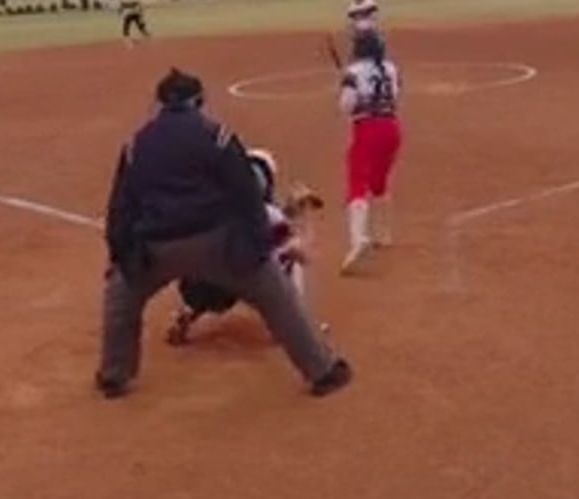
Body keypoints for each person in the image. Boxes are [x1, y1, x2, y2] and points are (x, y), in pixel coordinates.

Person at [97, 70, 351, 400]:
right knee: (278, 296)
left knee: (120, 299)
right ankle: (323, 371)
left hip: (156, 247)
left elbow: (121, 208)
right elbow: (246, 196)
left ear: (159, 104)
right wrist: (255, 249)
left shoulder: (135, 146)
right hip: (215, 242)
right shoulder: (217, 136)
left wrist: (121, 257)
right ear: (198, 101)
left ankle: (114, 376)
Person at [165, 148, 325, 345]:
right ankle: (296, 325)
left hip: (197, 288)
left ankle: (187, 312)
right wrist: (303, 217)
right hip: (246, 285)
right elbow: (300, 252)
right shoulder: (269, 215)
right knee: (287, 254)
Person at [338, 31, 402, 274]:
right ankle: (383, 233)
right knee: (379, 180)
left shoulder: (353, 72)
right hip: (392, 129)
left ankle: (358, 242)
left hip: (367, 130)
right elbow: (394, 95)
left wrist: (346, 89)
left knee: (357, 182)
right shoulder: (390, 68)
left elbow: (346, 106)